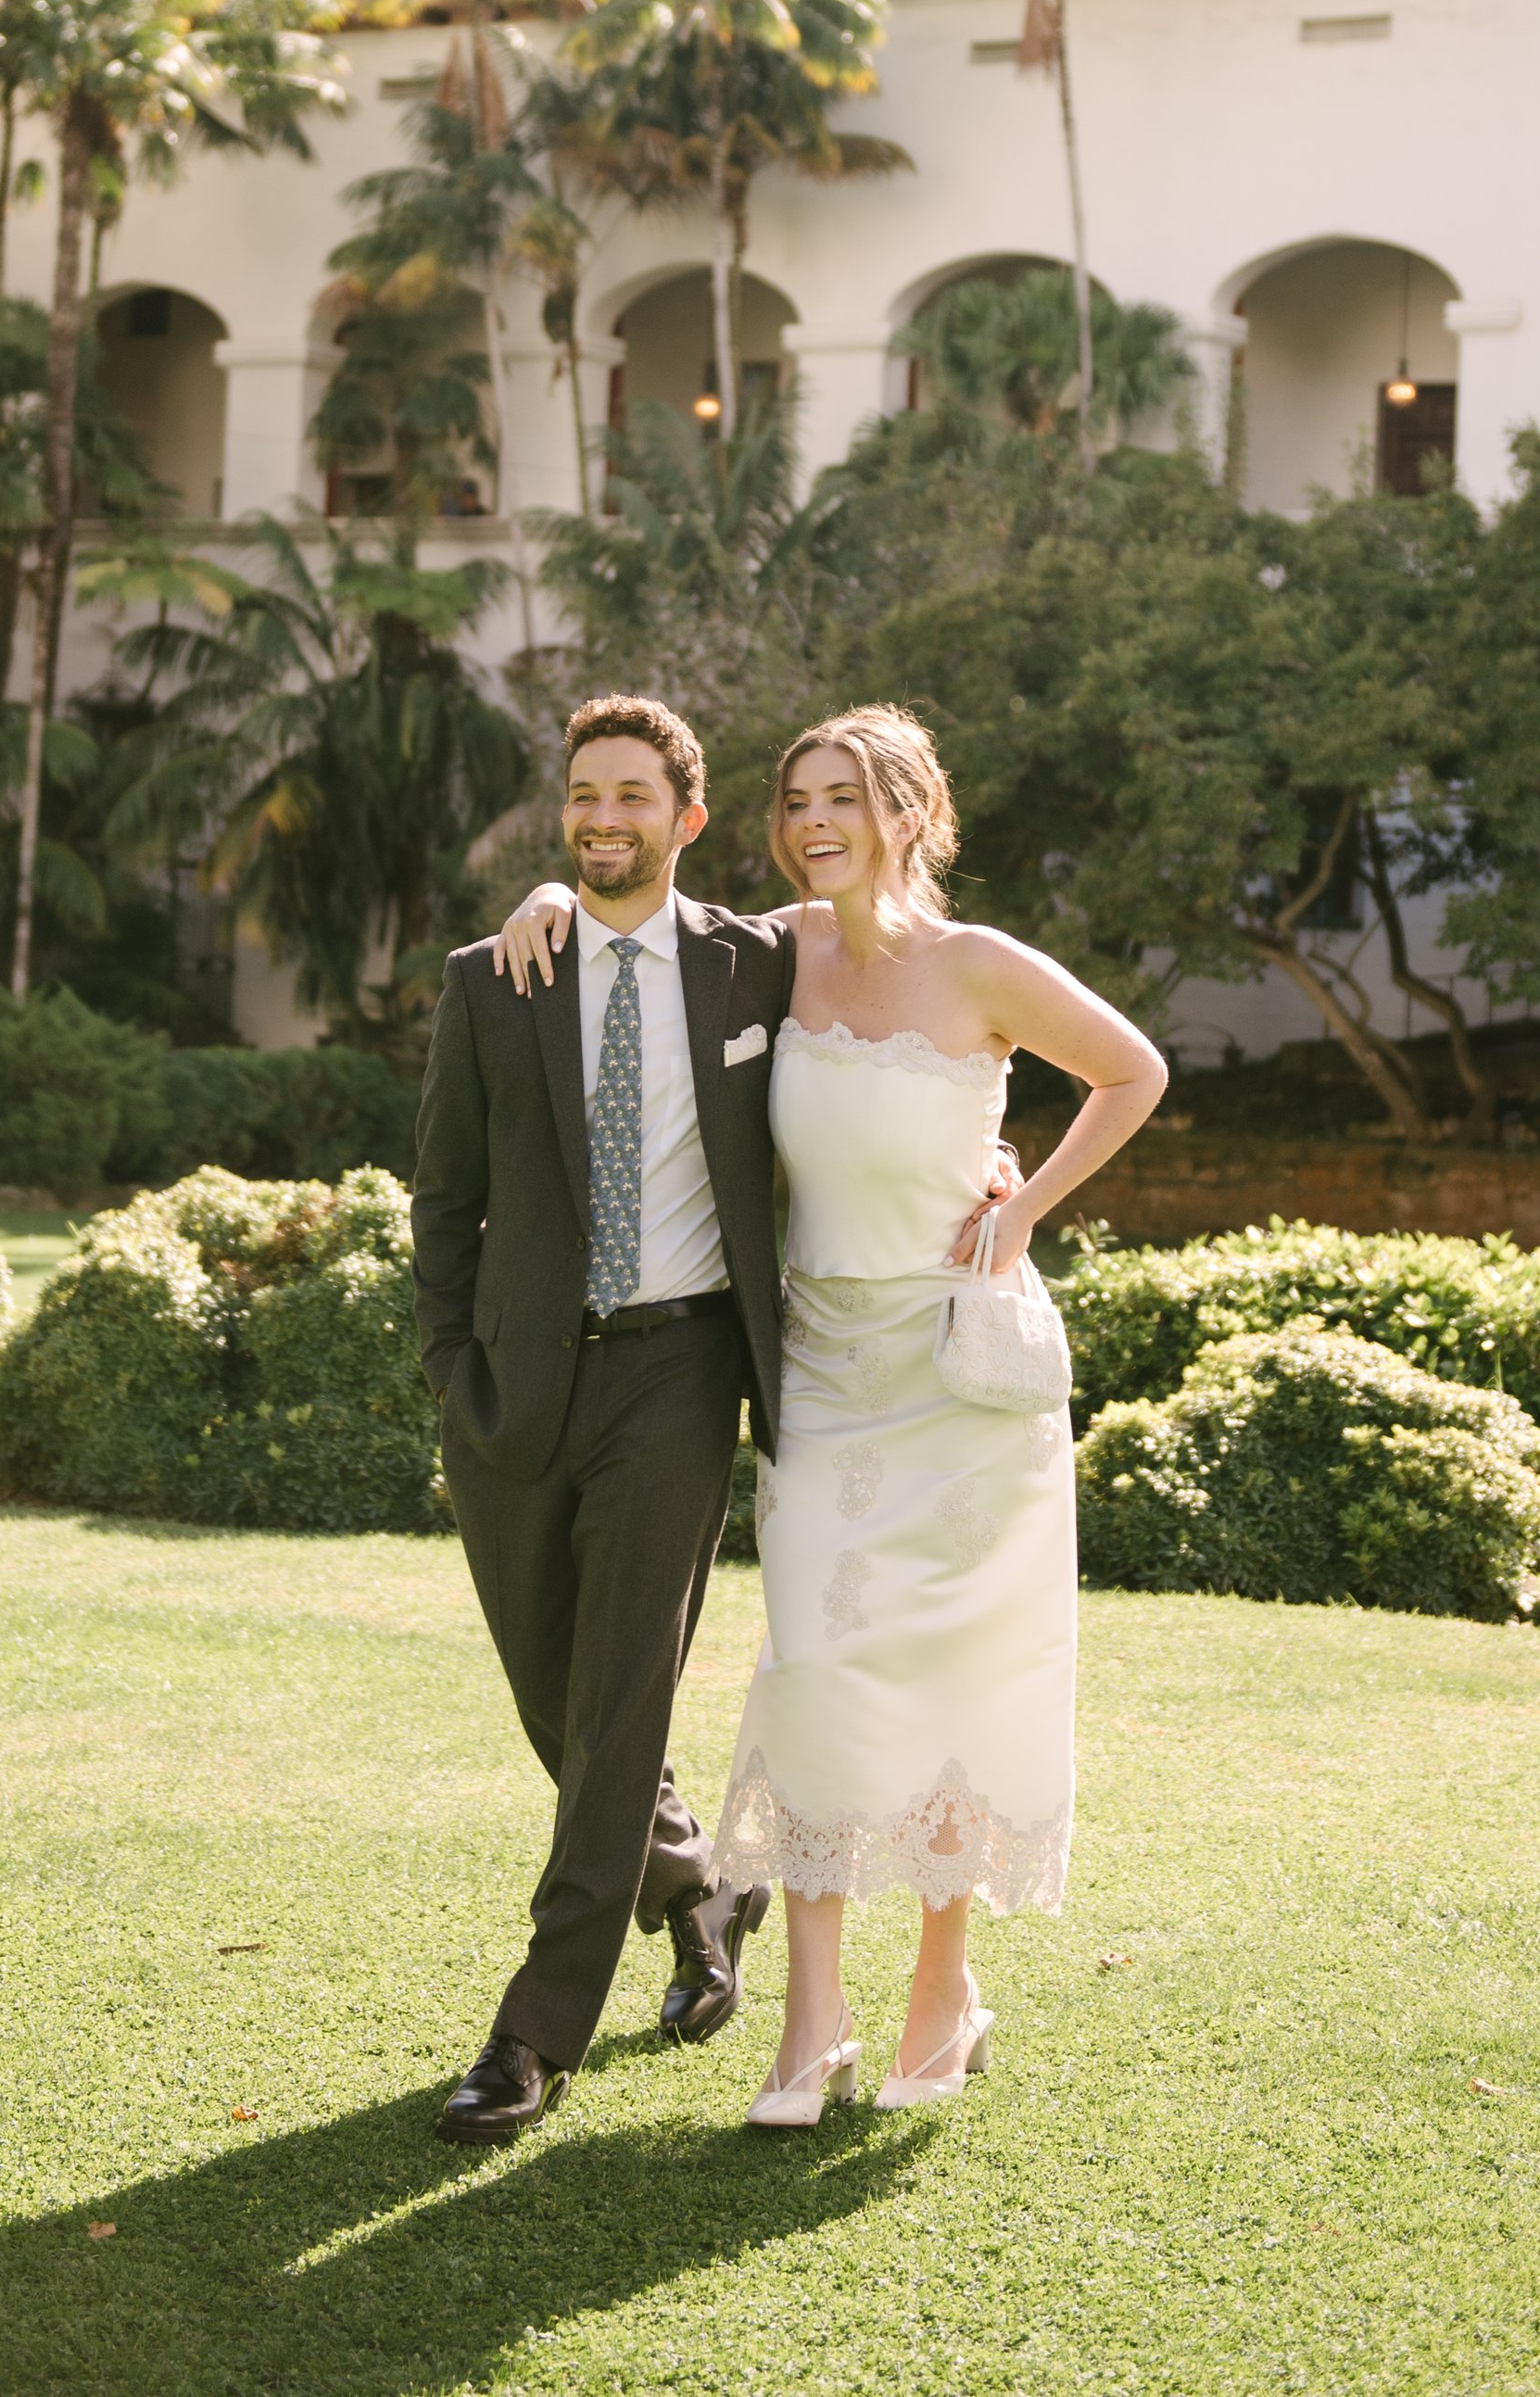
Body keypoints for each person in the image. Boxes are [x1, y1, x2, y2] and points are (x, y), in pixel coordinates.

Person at [495, 705, 1164, 2125]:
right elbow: (644, 916)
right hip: (820, 1376)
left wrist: (1026, 1210)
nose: (812, 822)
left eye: (842, 797)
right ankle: (813, 2018)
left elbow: (1134, 1070)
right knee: (814, 1674)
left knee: (951, 1683)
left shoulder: (979, 963)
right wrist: (555, 887)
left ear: (907, 811)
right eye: (797, 799)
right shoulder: (775, 950)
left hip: (960, 1379)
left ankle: (943, 1993)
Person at [410, 693, 799, 2147]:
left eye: (633, 793)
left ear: (688, 816)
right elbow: (444, 1194)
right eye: (584, 793)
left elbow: (898, 984)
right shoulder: (494, 976)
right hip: (514, 1380)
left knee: (622, 1695)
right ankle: (702, 1888)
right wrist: (450, 1362)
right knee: (559, 1702)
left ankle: (534, 2030)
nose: (602, 816)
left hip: (679, 1372)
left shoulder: (760, 964)